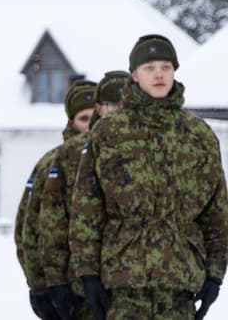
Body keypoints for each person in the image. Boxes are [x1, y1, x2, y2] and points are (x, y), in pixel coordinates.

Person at [71, 34, 228, 320]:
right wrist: (87, 274)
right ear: (134, 75)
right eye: (150, 67)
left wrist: (215, 276)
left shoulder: (198, 136)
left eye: (166, 67)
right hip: (123, 283)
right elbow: (87, 210)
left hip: (180, 284)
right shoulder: (107, 134)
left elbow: (216, 214)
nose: (159, 74)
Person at [38, 71, 128, 320]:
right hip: (82, 286)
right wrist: (47, 284)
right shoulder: (70, 154)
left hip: (135, 282)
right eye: (113, 105)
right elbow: (49, 225)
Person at [17, 79, 97, 320]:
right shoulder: (52, 164)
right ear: (71, 121)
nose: (91, 126)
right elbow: (28, 231)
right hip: (68, 292)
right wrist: (41, 287)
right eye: (84, 119)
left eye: (95, 117)